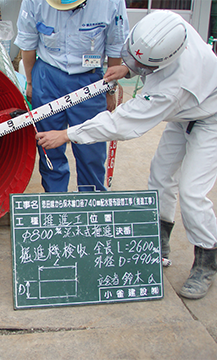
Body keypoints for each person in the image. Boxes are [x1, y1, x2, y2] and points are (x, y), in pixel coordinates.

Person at [35, 10, 217, 300]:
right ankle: (159, 241)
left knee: (192, 191)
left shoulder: (172, 88)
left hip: (210, 118)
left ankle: (207, 261)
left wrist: (67, 135)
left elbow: (122, 122)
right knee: (160, 175)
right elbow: (147, 54)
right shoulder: (169, 25)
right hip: (185, 112)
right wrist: (129, 69)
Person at [14, 0, 129, 193]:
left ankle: (91, 201)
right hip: (47, 76)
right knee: (48, 146)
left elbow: (115, 48)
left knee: (91, 145)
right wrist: (31, 83)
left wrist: (110, 89)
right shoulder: (35, 2)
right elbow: (28, 43)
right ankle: (56, 200)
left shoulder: (111, 3)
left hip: (89, 79)